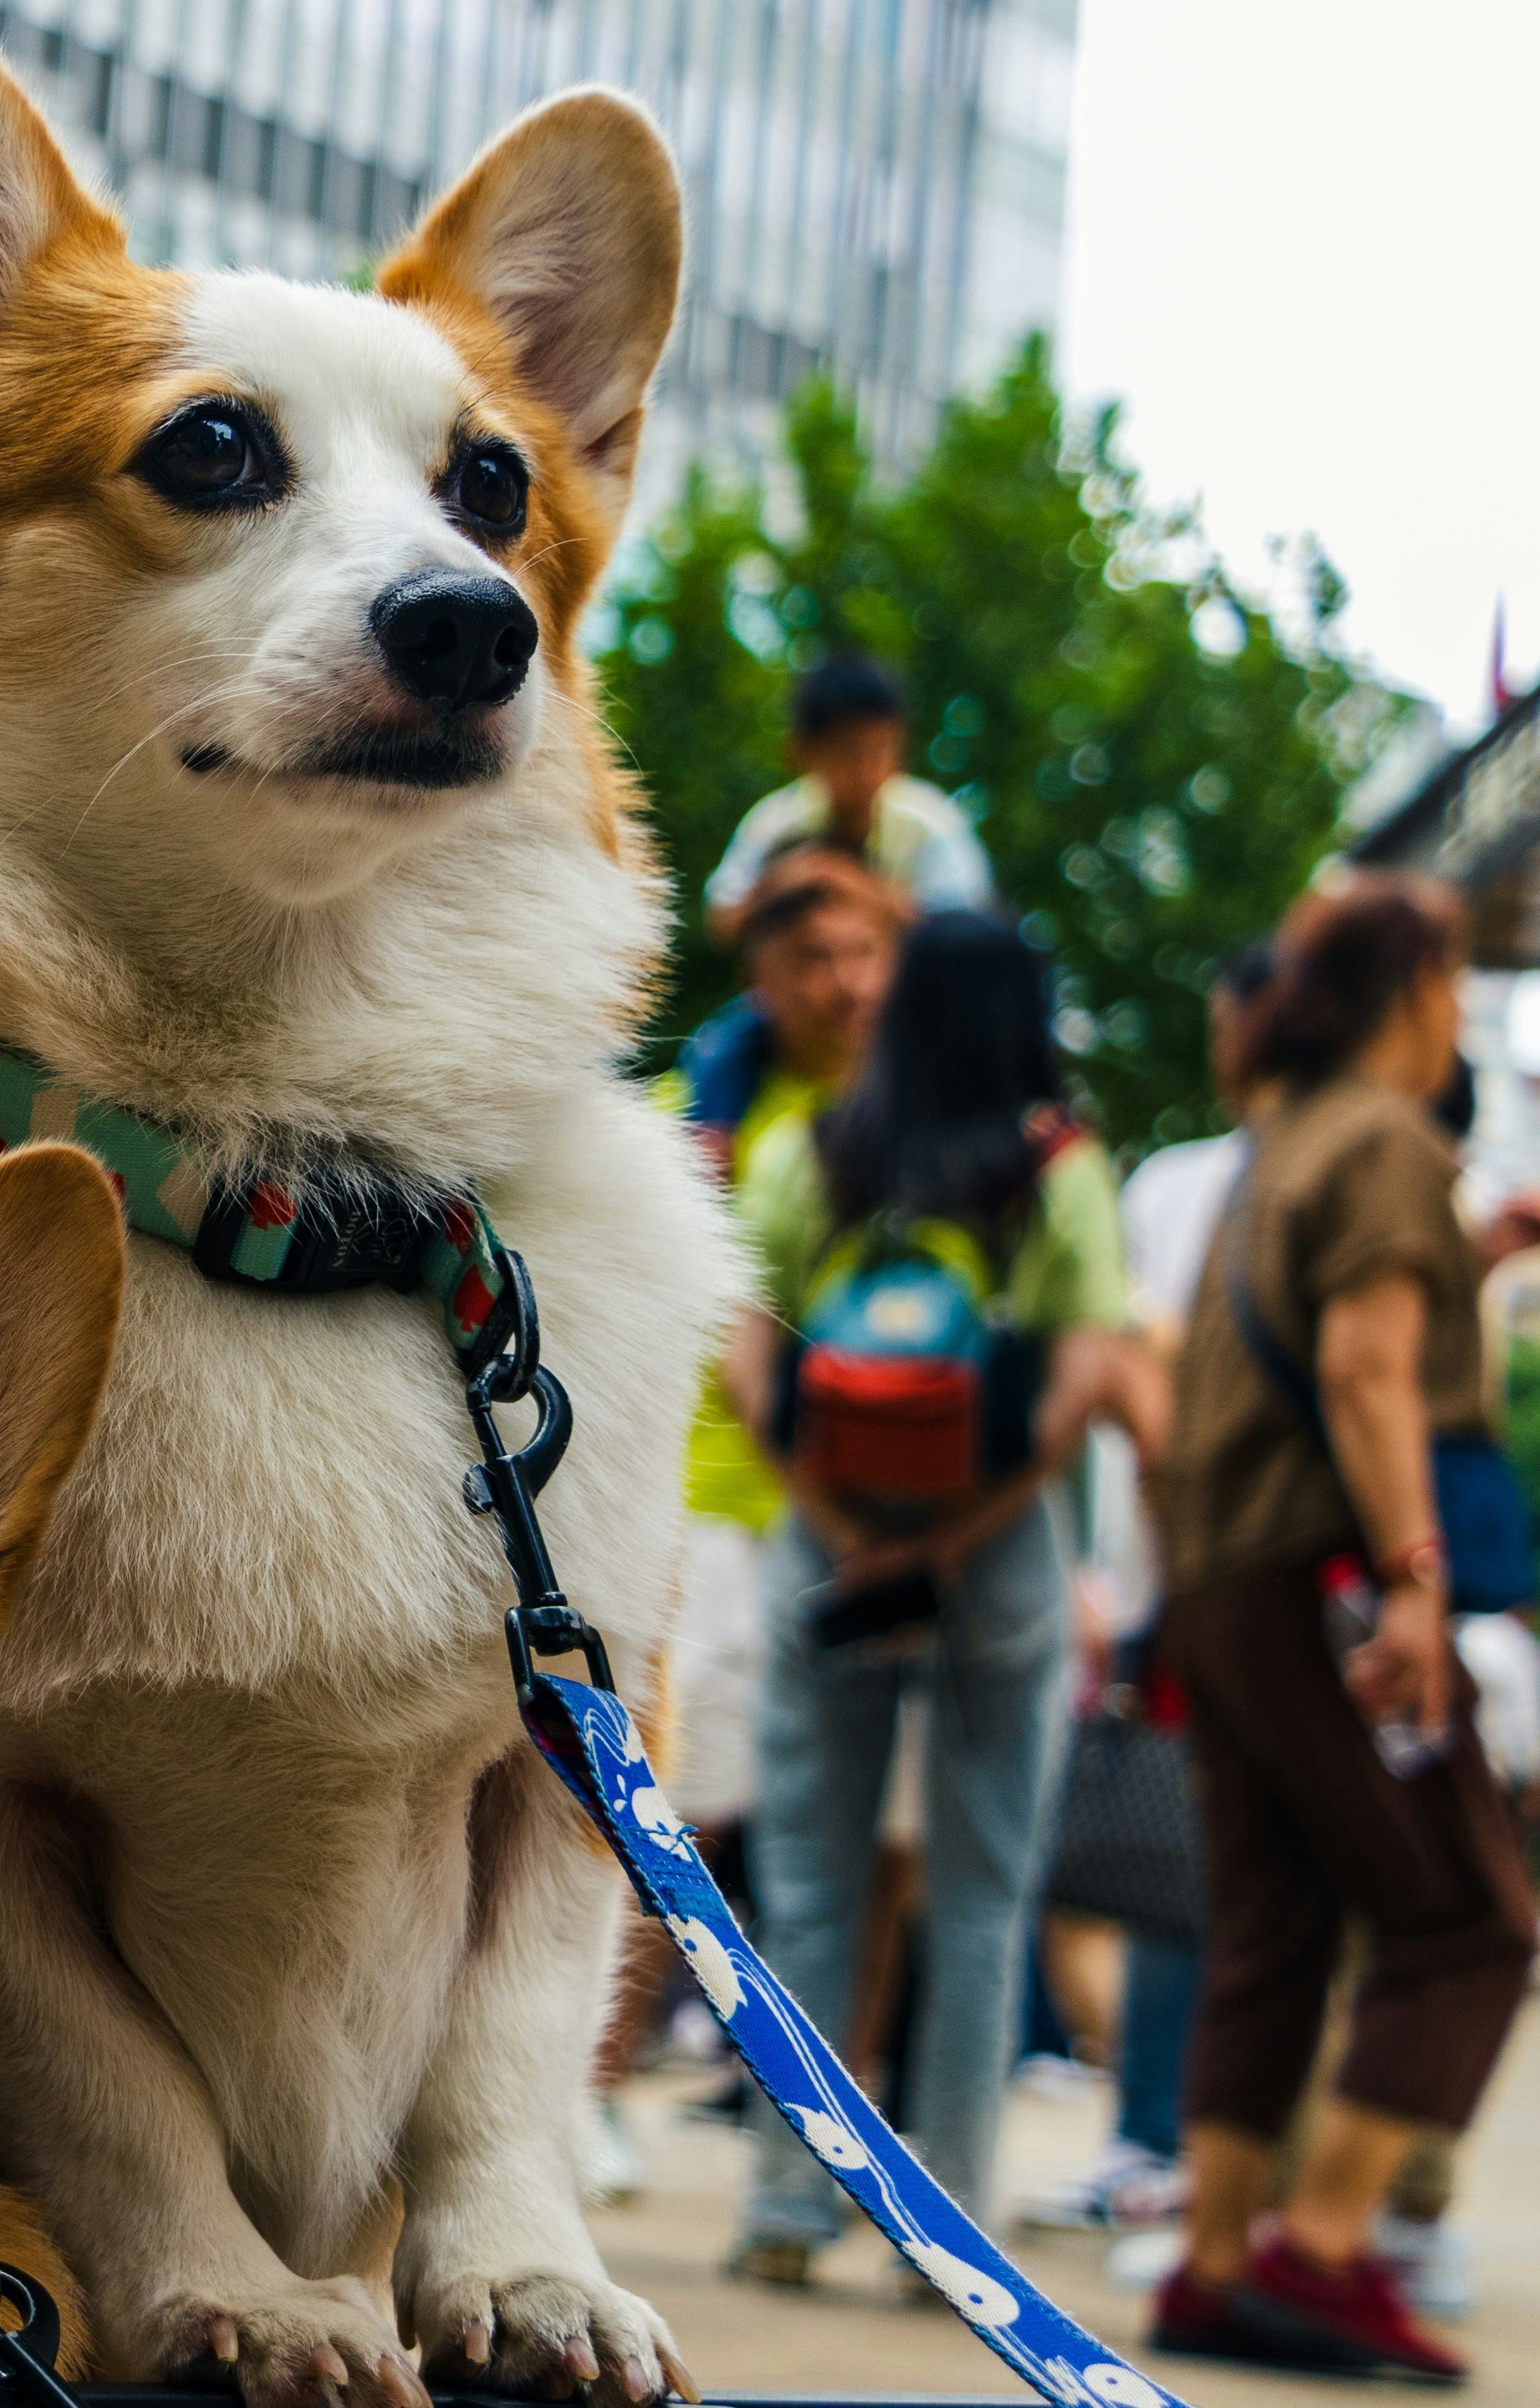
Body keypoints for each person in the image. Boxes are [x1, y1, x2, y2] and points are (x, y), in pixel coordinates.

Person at [1145, 875, 1536, 2382]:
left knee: (1276, 1921)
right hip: (1328, 1578)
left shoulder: (1280, 1145)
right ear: (1420, 996)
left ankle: (1220, 2258)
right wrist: (1420, 1578)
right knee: (1468, 1920)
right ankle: (1321, 2247)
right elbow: (1373, 1372)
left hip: (1231, 1581)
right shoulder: (1382, 1138)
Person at [718, 911, 1141, 2283]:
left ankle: (785, 2208)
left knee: (807, 1888)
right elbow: (1076, 1384)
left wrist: (844, 1523)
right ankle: (941, 2231)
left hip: (824, 1548)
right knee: (979, 1895)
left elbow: (741, 1357)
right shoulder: (1056, 1172)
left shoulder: (809, 1152)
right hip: (995, 1558)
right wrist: (952, 1541)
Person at [595, 845, 909, 2195]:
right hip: (714, 1504)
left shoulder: (921, 1111)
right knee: (672, 1815)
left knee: (878, 1839)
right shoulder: (694, 1112)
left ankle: (838, 2113)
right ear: (759, 978)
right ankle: (588, 2087)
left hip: (871, 1525)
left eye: (859, 954)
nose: (840, 983)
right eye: (808, 961)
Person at [1014, 941, 1274, 2242]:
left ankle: (1195, 2155)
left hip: (1236, 1573)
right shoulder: (1179, 1184)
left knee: (1229, 1881)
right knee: (1190, 1869)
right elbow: (1143, 1371)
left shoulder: (1189, 1183)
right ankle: (1160, 2143)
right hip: (1200, 1575)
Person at [679, 659, 997, 1136]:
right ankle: (712, 1143)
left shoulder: (930, 825)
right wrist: (786, 882)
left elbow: (971, 943)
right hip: (796, 1020)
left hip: (923, 1005)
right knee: (722, 1048)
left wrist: (853, 886)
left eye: (882, 751)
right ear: (804, 751)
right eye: (849, 753)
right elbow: (722, 919)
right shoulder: (776, 822)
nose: (868, 771)